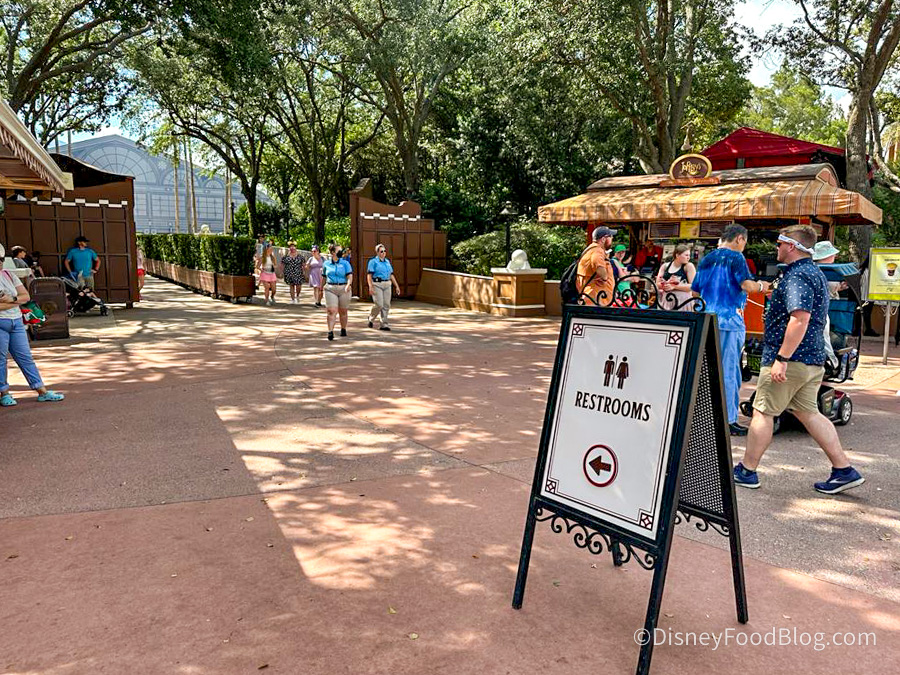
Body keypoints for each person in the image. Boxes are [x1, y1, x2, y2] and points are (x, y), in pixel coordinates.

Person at [734, 226, 864, 495]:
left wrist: (782, 358)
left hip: (791, 359)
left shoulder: (797, 276)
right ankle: (843, 469)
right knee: (809, 413)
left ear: (791, 246)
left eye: (780, 243)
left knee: (763, 412)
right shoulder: (813, 272)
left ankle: (747, 470)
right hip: (811, 358)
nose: (776, 248)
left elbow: (799, 318)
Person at [691, 224, 770, 436]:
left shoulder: (707, 259)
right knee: (728, 371)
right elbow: (746, 285)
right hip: (729, 320)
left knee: (705, 370)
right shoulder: (736, 258)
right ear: (739, 239)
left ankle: (703, 417)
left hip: (706, 319)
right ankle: (727, 420)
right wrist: (762, 286)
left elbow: (694, 292)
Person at [0, 243, 64, 406]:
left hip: (16, 321)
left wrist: (11, 300)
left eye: (1, 259)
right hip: (2, 322)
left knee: (25, 357)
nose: (0, 262)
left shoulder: (8, 274)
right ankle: (4, 393)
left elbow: (26, 296)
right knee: (1, 360)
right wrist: (15, 302)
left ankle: (41, 390)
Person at [576, 227, 616, 305]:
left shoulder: (591, 249)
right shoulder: (597, 251)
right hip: (595, 299)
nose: (612, 239)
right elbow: (598, 265)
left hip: (594, 298)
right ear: (603, 239)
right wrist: (604, 277)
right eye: (610, 237)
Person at [366, 243, 402, 331]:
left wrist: (397, 286)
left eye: (385, 251)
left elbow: (391, 275)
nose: (383, 253)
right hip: (377, 284)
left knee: (386, 304)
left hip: (387, 284)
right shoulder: (373, 262)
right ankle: (371, 317)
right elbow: (369, 275)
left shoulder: (387, 262)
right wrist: (370, 286)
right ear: (377, 252)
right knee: (379, 304)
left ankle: (384, 324)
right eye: (381, 251)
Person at [322, 244, 353, 340]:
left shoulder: (345, 263)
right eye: (338, 250)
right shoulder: (326, 264)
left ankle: (343, 328)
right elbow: (323, 277)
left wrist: (348, 285)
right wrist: (320, 288)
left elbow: (349, 276)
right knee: (331, 311)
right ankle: (330, 331)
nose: (341, 252)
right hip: (330, 288)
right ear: (332, 252)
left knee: (343, 311)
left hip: (343, 288)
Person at [656, 244, 696, 310]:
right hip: (667, 300)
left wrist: (674, 286)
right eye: (686, 255)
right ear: (677, 255)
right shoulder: (665, 266)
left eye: (689, 255)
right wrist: (665, 284)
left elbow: (693, 286)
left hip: (683, 302)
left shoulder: (689, 266)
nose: (688, 257)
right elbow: (658, 284)